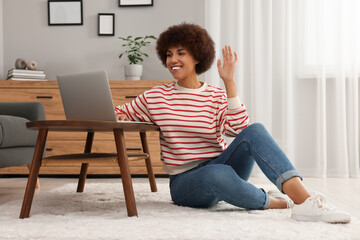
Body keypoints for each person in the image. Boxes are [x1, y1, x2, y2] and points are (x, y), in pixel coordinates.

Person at [115, 23, 351, 223]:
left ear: (197, 57)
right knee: (217, 174)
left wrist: (229, 82)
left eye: (180, 53)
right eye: (168, 54)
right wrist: (111, 112)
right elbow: (119, 112)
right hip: (186, 182)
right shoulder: (156, 97)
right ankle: (276, 202)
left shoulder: (215, 95)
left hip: (223, 165)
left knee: (254, 130)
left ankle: (305, 202)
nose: (173, 60)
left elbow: (239, 130)